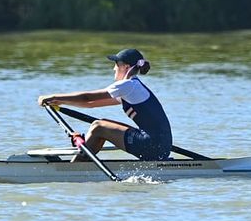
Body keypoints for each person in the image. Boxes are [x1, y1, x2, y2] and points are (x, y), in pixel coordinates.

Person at [38, 49, 172, 162]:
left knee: (98, 127)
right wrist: (61, 102)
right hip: (161, 146)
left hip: (152, 145)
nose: (114, 68)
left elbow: (87, 98)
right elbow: (91, 104)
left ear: (126, 67)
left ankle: (74, 167)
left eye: (116, 64)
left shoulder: (127, 85)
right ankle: (82, 162)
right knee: (103, 123)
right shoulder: (133, 87)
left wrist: (54, 97)